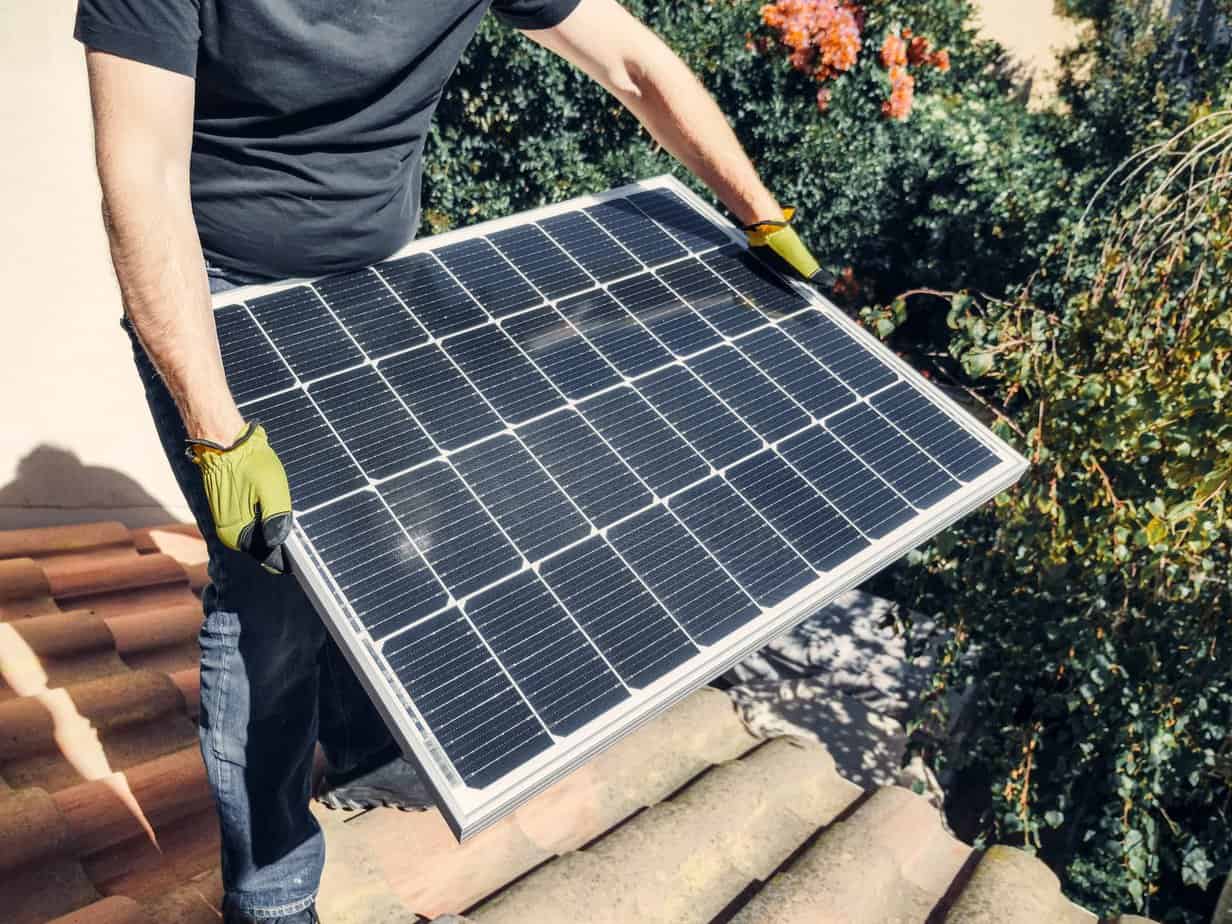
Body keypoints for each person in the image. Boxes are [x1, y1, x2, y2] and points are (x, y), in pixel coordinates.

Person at [75, 0, 828, 920]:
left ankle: (358, 745)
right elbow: (140, 175)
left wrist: (757, 207)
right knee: (266, 597)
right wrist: (215, 427)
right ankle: (268, 895)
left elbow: (632, 63)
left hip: (377, 284)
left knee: (368, 534)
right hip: (219, 294)